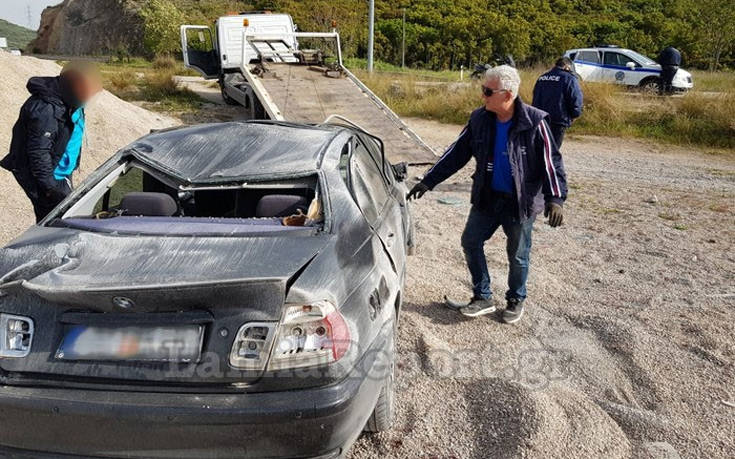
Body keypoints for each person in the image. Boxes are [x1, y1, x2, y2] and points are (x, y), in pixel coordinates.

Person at [407, 65, 567, 324]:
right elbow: (456, 153)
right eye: (483, 89)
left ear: (508, 94)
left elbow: (552, 162)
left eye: (488, 91)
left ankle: (515, 299)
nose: (483, 96)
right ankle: (483, 297)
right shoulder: (479, 119)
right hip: (488, 197)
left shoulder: (535, 122)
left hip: (520, 202)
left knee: (517, 254)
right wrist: (428, 181)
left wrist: (555, 199)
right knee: (471, 241)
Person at [1, 61, 102, 222]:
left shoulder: (72, 100)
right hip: (47, 177)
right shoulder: (45, 110)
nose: (88, 97)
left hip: (61, 170)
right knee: (56, 222)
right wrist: (50, 188)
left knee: (66, 216)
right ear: (72, 85)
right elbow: (38, 153)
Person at [531, 57, 583, 148]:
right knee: (553, 150)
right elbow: (575, 99)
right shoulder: (569, 78)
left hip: (540, 119)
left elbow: (535, 97)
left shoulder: (542, 78)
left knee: (541, 148)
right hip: (559, 120)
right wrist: (575, 114)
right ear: (567, 66)